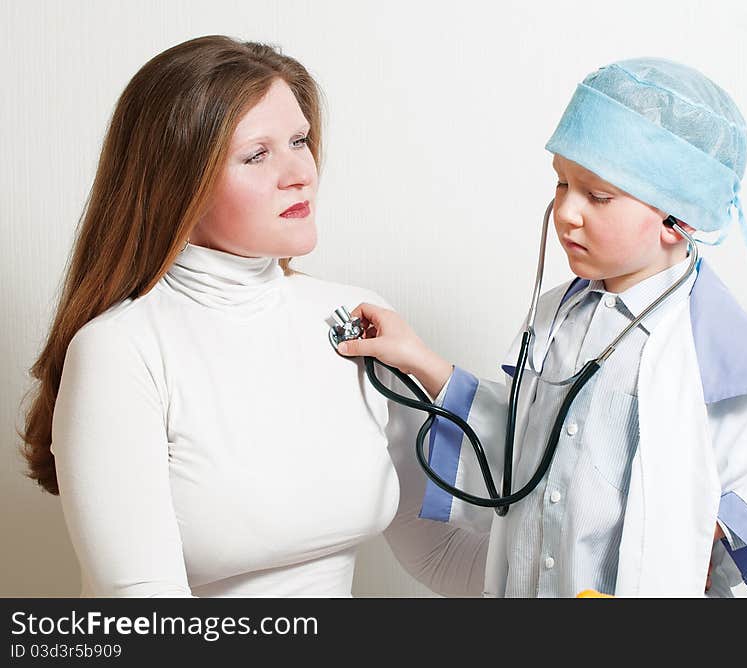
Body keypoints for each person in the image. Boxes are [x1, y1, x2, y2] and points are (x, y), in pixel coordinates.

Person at [338, 57, 747, 597]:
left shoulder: (721, 351)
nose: (567, 212)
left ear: (679, 217)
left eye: (598, 195)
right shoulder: (557, 316)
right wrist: (417, 359)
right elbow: (525, 457)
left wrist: (717, 530)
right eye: (561, 184)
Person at [17, 35, 488, 597]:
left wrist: (586, 575)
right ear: (179, 183)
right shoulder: (120, 351)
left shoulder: (357, 318)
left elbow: (436, 550)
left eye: (298, 141)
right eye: (256, 154)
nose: (299, 173)